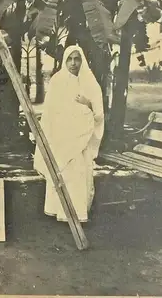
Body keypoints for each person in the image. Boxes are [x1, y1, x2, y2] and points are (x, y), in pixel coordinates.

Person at [33, 45, 104, 223]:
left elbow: (99, 114)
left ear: (82, 60)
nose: (73, 63)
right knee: (62, 172)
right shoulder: (57, 80)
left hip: (82, 138)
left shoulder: (89, 81)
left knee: (79, 173)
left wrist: (88, 103)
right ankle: (59, 211)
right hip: (62, 137)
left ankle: (78, 214)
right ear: (64, 60)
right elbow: (50, 111)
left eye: (77, 59)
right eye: (69, 59)